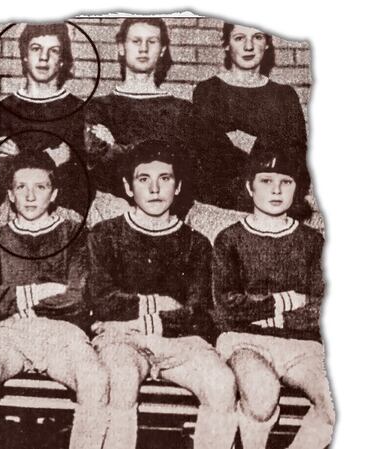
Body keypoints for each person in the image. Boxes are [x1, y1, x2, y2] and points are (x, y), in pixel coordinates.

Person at [86, 140, 236, 449]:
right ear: (128, 187)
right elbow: (102, 300)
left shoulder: (197, 245)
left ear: (178, 186)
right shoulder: (105, 235)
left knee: (222, 384)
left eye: (165, 179)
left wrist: (143, 319)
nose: (155, 189)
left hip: (179, 342)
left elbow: (199, 313)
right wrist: (163, 304)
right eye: (144, 179)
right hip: (121, 341)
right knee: (122, 379)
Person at [0, 152, 106, 449]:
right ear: (10, 195)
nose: (30, 196)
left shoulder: (76, 235)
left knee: (94, 379)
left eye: (40, 187)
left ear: (54, 193)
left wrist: (16, 296)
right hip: (9, 333)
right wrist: (41, 291)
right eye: (21, 187)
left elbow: (78, 296)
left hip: (63, 335)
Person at [212, 150, 333, 449]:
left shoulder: (312, 241)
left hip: (302, 344)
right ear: (249, 187)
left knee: (336, 402)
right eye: (266, 181)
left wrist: (265, 310)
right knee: (261, 395)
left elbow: (324, 307)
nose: (276, 190)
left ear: (299, 189)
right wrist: (287, 302)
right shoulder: (229, 239)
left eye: (286, 182)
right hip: (245, 340)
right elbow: (226, 306)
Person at [84, 18, 237, 222]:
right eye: (136, 41)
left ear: (163, 50)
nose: (144, 49)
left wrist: (118, 148)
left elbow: (214, 165)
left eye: (152, 42)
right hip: (116, 219)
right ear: (121, 47)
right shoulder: (98, 108)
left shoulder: (183, 111)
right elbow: (99, 163)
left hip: (174, 221)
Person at [0, 22, 92, 220]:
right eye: (36, 49)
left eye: (53, 51)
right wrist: (51, 160)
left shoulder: (76, 109)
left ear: (62, 60)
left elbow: (80, 181)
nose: (44, 58)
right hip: (14, 212)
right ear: (25, 57)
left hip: (63, 212)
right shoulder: (5, 109)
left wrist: (20, 157)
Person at [193, 23, 308, 183]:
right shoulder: (209, 90)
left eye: (258, 37)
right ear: (226, 44)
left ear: (267, 44)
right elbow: (211, 155)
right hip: (223, 195)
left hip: (274, 194)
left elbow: (296, 156)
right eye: (239, 38)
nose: (249, 47)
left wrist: (242, 141)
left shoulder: (284, 95)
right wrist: (269, 148)